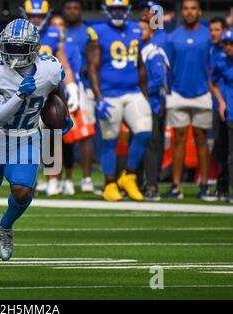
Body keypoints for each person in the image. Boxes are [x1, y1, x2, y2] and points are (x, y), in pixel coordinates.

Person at [0, 19, 72, 286]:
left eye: (22, 48)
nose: (16, 54)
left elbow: (56, 91)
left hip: (26, 138)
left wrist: (63, 115)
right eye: (11, 47)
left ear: (34, 48)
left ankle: (6, 225)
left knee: (22, 191)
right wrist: (19, 96)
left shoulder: (50, 68)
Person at [86, 0, 152, 202]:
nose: (117, 13)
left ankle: (129, 176)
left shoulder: (135, 29)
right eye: (113, 9)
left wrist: (145, 92)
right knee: (110, 140)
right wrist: (99, 98)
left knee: (144, 132)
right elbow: (92, 67)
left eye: (120, 9)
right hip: (109, 93)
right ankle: (109, 183)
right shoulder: (97, 31)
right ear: (106, 10)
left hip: (132, 91)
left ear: (127, 11)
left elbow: (140, 64)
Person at [21, 0, 80, 196]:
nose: (36, 19)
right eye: (32, 15)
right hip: (27, 93)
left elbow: (63, 62)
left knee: (52, 136)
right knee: (27, 138)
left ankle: (53, 179)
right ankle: (30, 180)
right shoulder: (18, 32)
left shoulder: (54, 33)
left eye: (40, 15)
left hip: (49, 93)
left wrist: (71, 86)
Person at [164, 0, 214, 200]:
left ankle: (204, 185)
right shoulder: (172, 37)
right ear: (181, 12)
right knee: (179, 140)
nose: (190, 12)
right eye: (186, 8)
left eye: (193, 8)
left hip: (202, 93)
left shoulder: (209, 35)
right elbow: (167, 67)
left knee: (202, 140)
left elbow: (213, 64)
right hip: (178, 93)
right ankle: (176, 186)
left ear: (200, 11)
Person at [62, 0, 96, 194]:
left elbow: (93, 63)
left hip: (82, 88)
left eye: (76, 8)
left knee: (85, 134)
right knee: (56, 135)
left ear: (81, 11)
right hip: (57, 89)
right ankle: (55, 180)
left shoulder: (88, 32)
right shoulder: (55, 31)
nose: (72, 11)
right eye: (69, 8)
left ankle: (86, 178)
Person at [138, 17, 171, 201]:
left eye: (143, 29)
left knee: (151, 146)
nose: (139, 32)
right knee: (139, 146)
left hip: (152, 104)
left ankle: (152, 185)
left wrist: (139, 92)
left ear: (151, 32)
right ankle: (139, 183)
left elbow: (159, 80)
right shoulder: (137, 50)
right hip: (140, 105)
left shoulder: (154, 52)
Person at [211, 31, 233, 204]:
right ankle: (224, 188)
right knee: (225, 152)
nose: (228, 47)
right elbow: (212, 81)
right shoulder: (221, 62)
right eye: (225, 43)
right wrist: (221, 101)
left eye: (231, 43)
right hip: (229, 113)